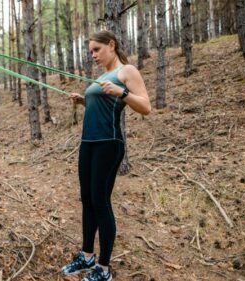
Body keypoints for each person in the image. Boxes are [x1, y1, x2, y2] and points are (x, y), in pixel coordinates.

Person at [60, 30, 151, 281]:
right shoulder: (102, 77)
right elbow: (102, 105)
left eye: (96, 50)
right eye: (91, 51)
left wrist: (121, 93)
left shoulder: (127, 71)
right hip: (88, 143)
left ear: (111, 45)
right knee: (87, 199)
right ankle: (87, 256)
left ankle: (104, 269)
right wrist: (83, 101)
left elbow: (146, 106)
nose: (93, 55)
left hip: (108, 145)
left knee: (100, 201)